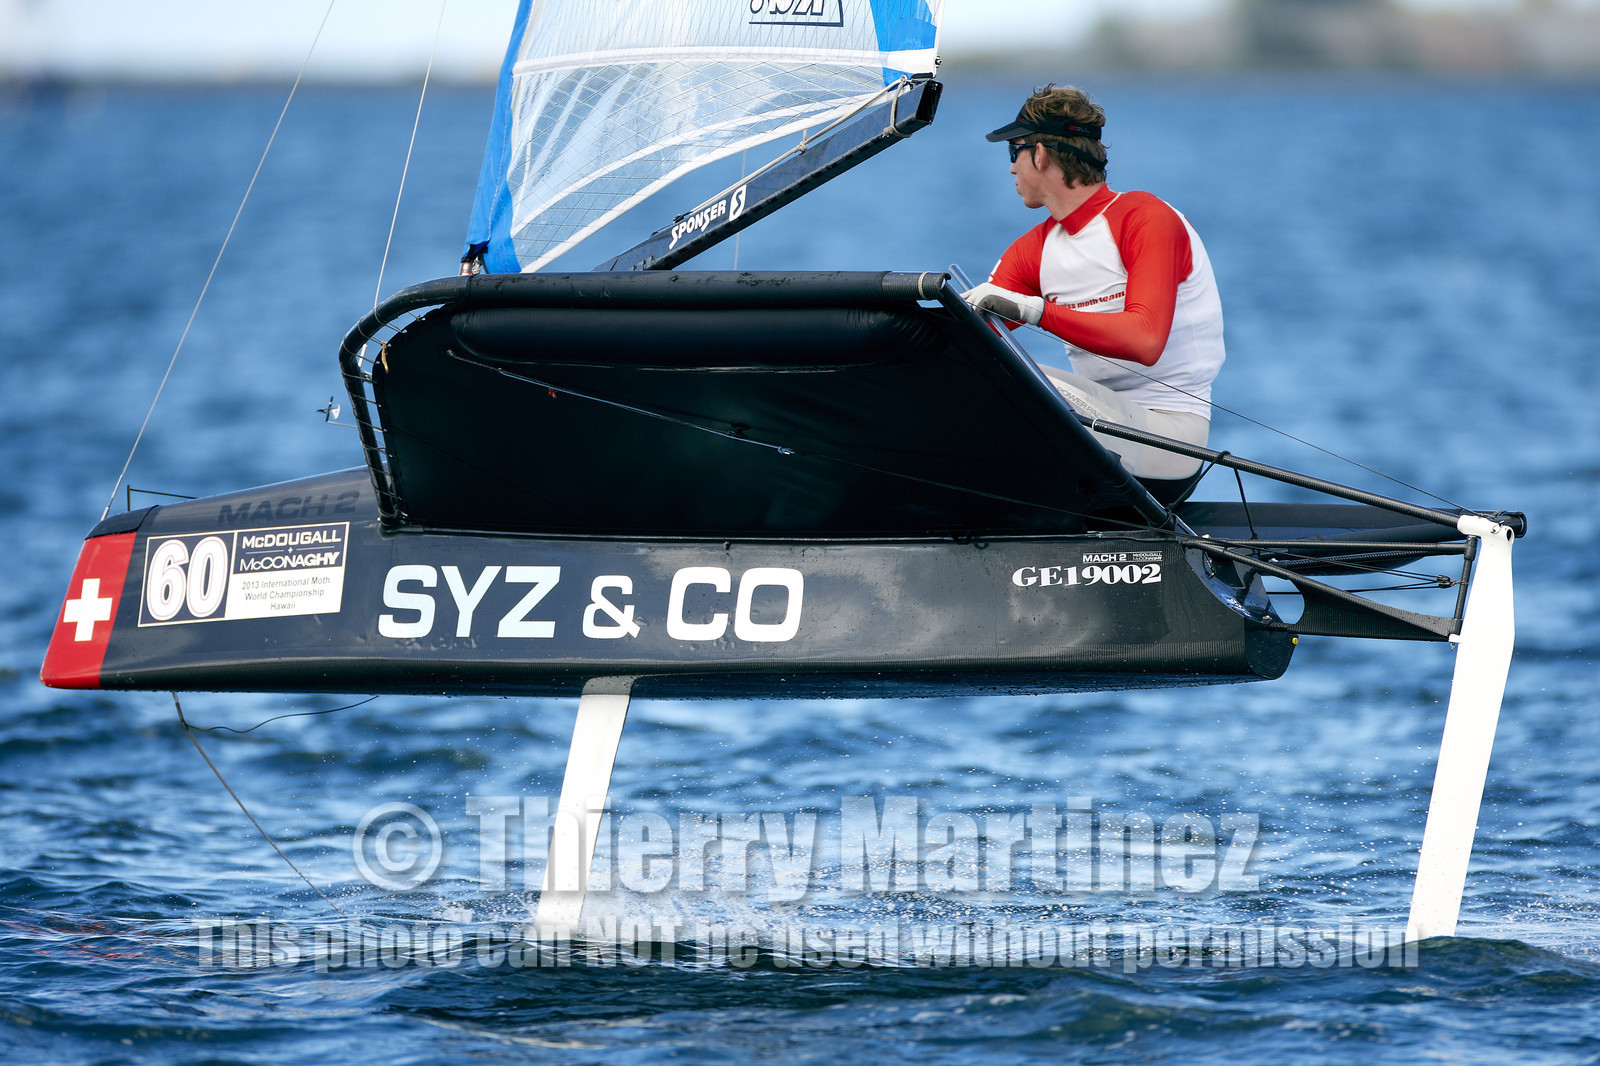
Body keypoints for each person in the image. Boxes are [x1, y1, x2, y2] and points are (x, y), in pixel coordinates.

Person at [962, 85, 1224, 502]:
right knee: (967, 380)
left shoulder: (1145, 218)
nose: (1011, 168)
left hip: (1170, 442)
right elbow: (969, 345)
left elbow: (1145, 340)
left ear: (1041, 154)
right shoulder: (1032, 250)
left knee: (1016, 385)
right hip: (1093, 435)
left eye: (1014, 152)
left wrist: (1036, 312)